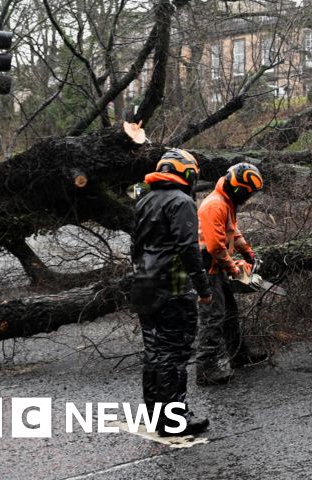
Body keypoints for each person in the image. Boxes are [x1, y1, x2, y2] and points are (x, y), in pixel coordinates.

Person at [130, 148, 212, 436]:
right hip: (173, 287)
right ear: (187, 173)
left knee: (154, 352)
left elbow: (135, 245)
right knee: (174, 353)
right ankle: (176, 418)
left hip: (143, 283)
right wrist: (203, 287)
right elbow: (188, 249)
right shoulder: (181, 202)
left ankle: (155, 415)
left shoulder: (144, 200)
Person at [195, 162, 268, 385]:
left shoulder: (227, 203)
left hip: (217, 264)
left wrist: (248, 253)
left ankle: (239, 354)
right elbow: (215, 246)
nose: (247, 198)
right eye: (246, 193)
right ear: (238, 188)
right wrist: (234, 269)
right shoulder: (215, 205)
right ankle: (206, 370)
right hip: (208, 266)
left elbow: (233, 233)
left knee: (230, 313)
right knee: (212, 316)